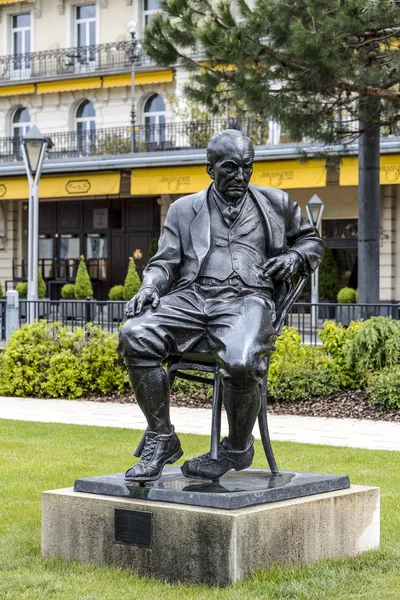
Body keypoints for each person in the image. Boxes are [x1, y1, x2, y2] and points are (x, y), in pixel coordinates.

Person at [118, 129, 324, 483]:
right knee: (135, 333)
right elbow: (164, 262)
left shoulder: (276, 203)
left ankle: (238, 447)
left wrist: (293, 257)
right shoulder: (183, 210)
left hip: (247, 299)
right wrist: (150, 286)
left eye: (248, 167)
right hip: (193, 297)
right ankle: (162, 436)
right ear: (210, 168)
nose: (241, 177)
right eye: (231, 168)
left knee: (242, 361)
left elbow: (312, 241)